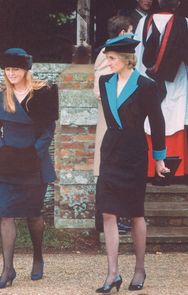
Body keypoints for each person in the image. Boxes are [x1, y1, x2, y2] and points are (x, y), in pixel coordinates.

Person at [95, 36, 169, 293]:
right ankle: (112, 273)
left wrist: (159, 158)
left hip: (135, 153)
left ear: (127, 59)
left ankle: (139, 269)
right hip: (111, 151)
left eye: (112, 58)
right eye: (107, 58)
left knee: (136, 212)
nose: (108, 62)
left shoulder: (146, 85)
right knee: (107, 211)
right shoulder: (105, 82)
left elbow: (158, 123)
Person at [0, 48, 58, 289]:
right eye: (7, 69)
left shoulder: (43, 92)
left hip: (34, 161)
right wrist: (3, 151)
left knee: (33, 213)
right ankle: (8, 270)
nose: (11, 73)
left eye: (15, 69)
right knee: (6, 214)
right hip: (7, 162)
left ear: (26, 69)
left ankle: (38, 256)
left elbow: (49, 129)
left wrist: (33, 153)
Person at [135, 0, 188, 181]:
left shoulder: (144, 22)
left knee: (150, 121)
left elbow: (136, 54)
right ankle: (175, 172)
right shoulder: (185, 23)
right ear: (177, 4)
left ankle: (151, 169)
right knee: (174, 119)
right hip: (176, 82)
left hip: (147, 80)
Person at [94, 16, 133, 234]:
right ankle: (105, 219)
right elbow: (100, 88)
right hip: (109, 120)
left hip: (117, 121)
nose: (132, 35)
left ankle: (114, 218)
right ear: (121, 33)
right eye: (129, 30)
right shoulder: (105, 55)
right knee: (107, 169)